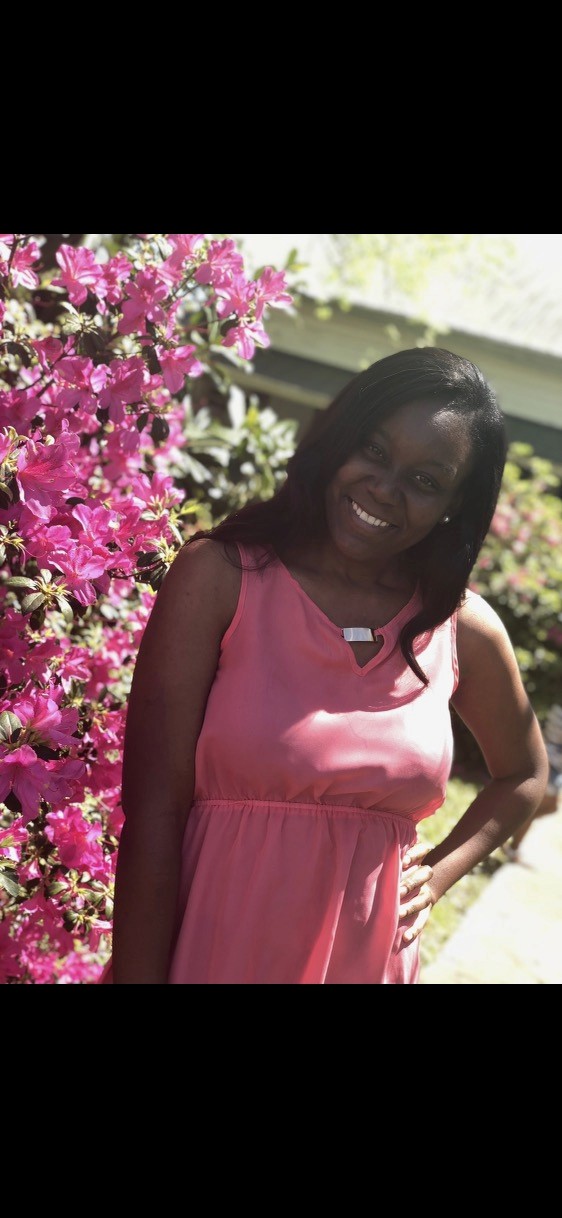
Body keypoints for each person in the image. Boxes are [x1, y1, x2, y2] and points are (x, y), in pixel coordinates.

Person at [103, 346, 549, 985]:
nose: (385, 489)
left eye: (425, 481)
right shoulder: (222, 578)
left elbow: (525, 775)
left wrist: (441, 872)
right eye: (373, 450)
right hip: (210, 953)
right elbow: (154, 813)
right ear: (337, 439)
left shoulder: (463, 628)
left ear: (455, 504)